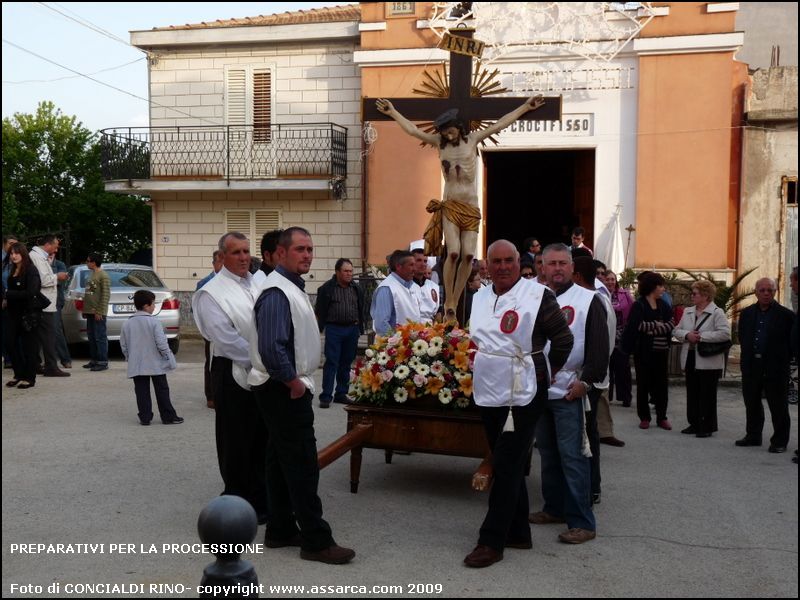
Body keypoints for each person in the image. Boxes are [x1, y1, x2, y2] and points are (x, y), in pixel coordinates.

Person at [376, 94, 545, 321]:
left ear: (459, 127)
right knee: (453, 252)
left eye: (450, 130)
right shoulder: (439, 143)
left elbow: (500, 124)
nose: (447, 134)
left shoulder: (473, 139)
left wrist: (525, 107)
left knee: (467, 256)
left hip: (471, 206)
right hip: (451, 205)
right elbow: (414, 131)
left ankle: (454, 298)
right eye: (444, 131)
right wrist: (393, 112)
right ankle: (450, 302)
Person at [464, 240, 573, 568]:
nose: (502, 266)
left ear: (521, 262)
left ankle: (491, 540)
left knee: (507, 463)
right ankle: (518, 532)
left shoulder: (539, 296)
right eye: (495, 261)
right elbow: (478, 337)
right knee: (505, 458)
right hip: (488, 388)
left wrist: (546, 372)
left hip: (524, 391)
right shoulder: (480, 295)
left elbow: (564, 339)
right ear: (487, 265)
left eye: (509, 260)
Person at [249, 227, 355, 565]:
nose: (307, 255)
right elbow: (271, 345)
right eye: (299, 249)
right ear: (280, 254)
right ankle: (315, 539)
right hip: (283, 388)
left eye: (310, 248)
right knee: (302, 463)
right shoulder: (278, 291)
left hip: (282, 385)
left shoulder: (289, 286)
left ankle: (280, 528)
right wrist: (292, 381)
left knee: (279, 460)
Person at [531, 243, 608, 545]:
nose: (558, 268)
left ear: (572, 266)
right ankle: (554, 508)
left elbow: (600, 349)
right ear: (543, 267)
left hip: (570, 391)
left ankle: (582, 521)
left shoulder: (590, 300)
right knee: (548, 455)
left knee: (573, 457)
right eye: (552, 263)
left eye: (563, 263)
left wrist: (586, 382)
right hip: (539, 389)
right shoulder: (534, 297)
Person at [192, 231, 268, 521]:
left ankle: (262, 496)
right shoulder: (211, 293)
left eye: (247, 251)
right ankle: (238, 498)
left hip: (264, 369)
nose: (244, 258)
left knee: (262, 435)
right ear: (222, 257)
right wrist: (262, 360)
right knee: (236, 438)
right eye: (237, 252)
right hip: (232, 370)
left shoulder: (259, 281)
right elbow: (225, 339)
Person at [736, 277, 795, 453]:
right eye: (762, 290)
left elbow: (791, 342)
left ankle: (779, 441)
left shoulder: (786, 315)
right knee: (752, 401)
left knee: (778, 405)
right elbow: (742, 336)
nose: (766, 293)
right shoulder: (746, 313)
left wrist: (783, 359)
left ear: (775, 292)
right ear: (756, 292)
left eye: (769, 290)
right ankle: (753, 436)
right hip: (752, 364)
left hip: (776, 367)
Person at [673, 280, 730, 438]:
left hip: (708, 359)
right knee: (692, 392)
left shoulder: (717, 312)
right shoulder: (688, 311)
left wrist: (701, 337)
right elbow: (676, 330)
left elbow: (725, 333)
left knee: (707, 394)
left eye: (695, 293)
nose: (692, 295)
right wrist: (686, 335)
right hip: (690, 356)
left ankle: (707, 426)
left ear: (705, 295)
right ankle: (694, 423)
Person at [120, 290, 182, 426]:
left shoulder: (127, 323)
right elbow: (161, 344)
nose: (154, 306)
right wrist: (169, 357)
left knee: (141, 391)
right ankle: (168, 416)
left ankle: (145, 417)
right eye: (153, 304)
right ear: (146, 306)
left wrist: (129, 357)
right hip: (156, 363)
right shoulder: (154, 322)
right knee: (162, 390)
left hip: (137, 364)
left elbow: (123, 344)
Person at [622, 271, 674, 430]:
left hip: (661, 351)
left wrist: (651, 328)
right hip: (643, 352)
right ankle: (644, 417)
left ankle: (661, 417)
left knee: (661, 385)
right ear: (652, 287)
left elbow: (671, 324)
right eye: (660, 286)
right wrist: (656, 326)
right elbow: (636, 325)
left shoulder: (664, 305)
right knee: (643, 384)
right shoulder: (639, 305)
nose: (663, 289)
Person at [314, 258, 365, 408]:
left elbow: (361, 308)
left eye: (351, 271)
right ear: (337, 272)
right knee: (331, 362)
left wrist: (359, 327)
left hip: (352, 329)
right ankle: (326, 396)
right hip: (334, 329)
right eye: (346, 271)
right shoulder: (327, 289)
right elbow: (320, 309)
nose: (349, 274)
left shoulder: (356, 289)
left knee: (346, 363)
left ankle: (341, 393)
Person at [29, 234, 70, 377]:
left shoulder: (38, 256)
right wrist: (58, 276)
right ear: (47, 245)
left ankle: (36, 364)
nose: (56, 250)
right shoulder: (37, 257)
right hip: (44, 303)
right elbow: (44, 280)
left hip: (45, 303)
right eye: (55, 246)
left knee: (40, 336)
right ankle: (51, 367)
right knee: (48, 336)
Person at [3, 243, 42, 389]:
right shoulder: (12, 269)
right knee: (9, 343)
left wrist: (9, 294)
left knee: (29, 347)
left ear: (23, 254)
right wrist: (6, 299)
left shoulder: (31, 270)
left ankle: (29, 378)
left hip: (28, 313)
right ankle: (19, 374)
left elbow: (31, 293)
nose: (13, 256)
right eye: (11, 253)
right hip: (12, 313)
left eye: (16, 253)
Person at [196, 250, 224, 409]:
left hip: (229, 327)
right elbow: (197, 310)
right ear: (214, 263)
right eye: (220, 262)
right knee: (211, 362)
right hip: (210, 330)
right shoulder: (204, 283)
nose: (223, 265)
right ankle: (211, 395)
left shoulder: (232, 281)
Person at [370, 250, 421, 336]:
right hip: (394, 345)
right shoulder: (386, 288)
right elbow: (381, 324)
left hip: (410, 344)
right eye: (411, 265)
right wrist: (397, 343)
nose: (415, 269)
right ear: (398, 266)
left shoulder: (413, 286)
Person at [605, 270, 634, 407]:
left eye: (612, 279)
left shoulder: (625, 294)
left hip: (621, 336)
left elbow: (633, 311)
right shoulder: (601, 294)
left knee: (623, 368)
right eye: (607, 279)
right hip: (606, 336)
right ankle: (608, 397)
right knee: (607, 368)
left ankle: (625, 397)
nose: (610, 282)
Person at [82, 252, 111, 372]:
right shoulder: (92, 274)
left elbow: (105, 295)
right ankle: (94, 360)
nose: (86, 262)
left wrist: (100, 311)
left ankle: (102, 361)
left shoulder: (103, 275)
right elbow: (90, 293)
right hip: (90, 311)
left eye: (88, 261)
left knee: (100, 337)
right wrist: (85, 309)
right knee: (92, 337)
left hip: (98, 312)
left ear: (94, 262)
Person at [49, 250, 72, 369]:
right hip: (43, 300)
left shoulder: (59, 264)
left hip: (56, 300)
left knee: (56, 329)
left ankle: (65, 359)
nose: (49, 256)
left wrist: (49, 274)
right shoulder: (39, 263)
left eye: (51, 254)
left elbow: (60, 280)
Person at [2, 233, 20, 369]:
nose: (13, 247)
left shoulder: (15, 259)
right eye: (10, 244)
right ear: (4, 244)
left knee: (12, 329)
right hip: (4, 299)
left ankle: (13, 358)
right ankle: (8, 358)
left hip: (14, 298)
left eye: (15, 244)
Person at [412, 248, 440, 321]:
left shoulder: (434, 286)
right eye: (419, 260)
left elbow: (438, 313)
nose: (423, 264)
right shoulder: (404, 285)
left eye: (425, 261)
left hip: (430, 329)